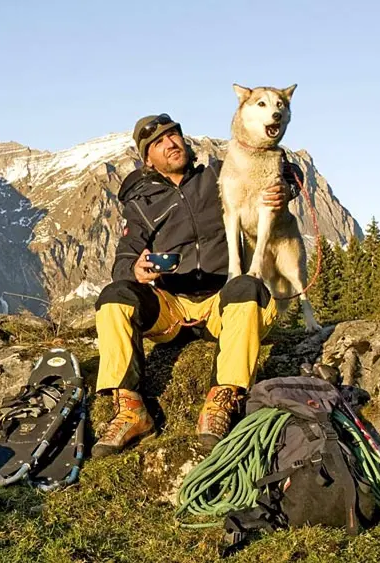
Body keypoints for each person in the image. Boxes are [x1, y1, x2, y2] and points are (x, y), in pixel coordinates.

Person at [91, 113, 302, 457]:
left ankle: (221, 401)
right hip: (172, 309)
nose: (171, 144)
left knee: (247, 286)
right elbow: (122, 262)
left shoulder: (218, 174)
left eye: (173, 136)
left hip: (224, 302)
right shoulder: (141, 202)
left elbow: (283, 167)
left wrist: (287, 189)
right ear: (148, 158)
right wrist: (137, 269)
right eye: (158, 143)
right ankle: (130, 408)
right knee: (115, 296)